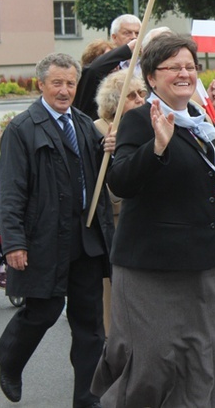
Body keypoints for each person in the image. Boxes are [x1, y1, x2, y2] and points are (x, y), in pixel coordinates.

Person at [91, 34, 215, 407]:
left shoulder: (202, 123)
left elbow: (203, 186)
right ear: (151, 77)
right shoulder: (138, 120)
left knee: (207, 358)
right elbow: (122, 181)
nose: (184, 73)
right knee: (153, 363)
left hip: (204, 265)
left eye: (190, 66)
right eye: (174, 67)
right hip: (153, 268)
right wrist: (157, 147)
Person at [0, 53, 115, 407]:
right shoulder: (22, 129)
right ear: (41, 85)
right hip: (45, 238)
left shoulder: (84, 125)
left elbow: (102, 181)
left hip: (86, 238)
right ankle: (11, 358)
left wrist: (109, 150)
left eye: (70, 84)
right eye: (57, 83)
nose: (64, 91)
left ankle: (87, 398)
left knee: (90, 325)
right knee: (44, 312)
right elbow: (11, 191)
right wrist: (13, 242)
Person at [93, 70, 147, 336]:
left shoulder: (147, 126)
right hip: (113, 227)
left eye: (142, 94)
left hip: (145, 227)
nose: (139, 100)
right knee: (113, 304)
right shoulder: (99, 130)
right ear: (114, 104)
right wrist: (112, 155)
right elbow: (104, 188)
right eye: (131, 95)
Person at [73, 14, 142, 120]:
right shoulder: (87, 81)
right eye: (109, 62)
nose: (133, 37)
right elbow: (94, 70)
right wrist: (127, 49)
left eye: (137, 33)